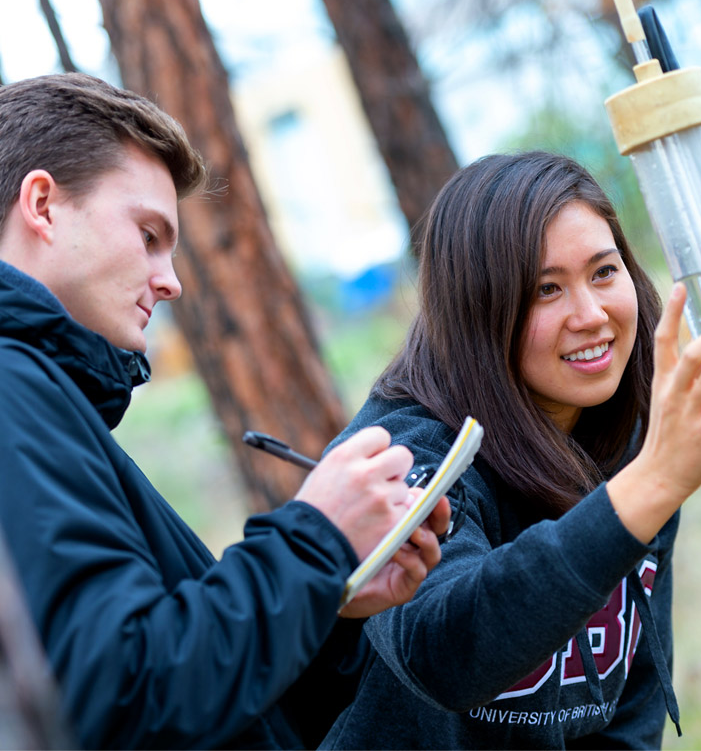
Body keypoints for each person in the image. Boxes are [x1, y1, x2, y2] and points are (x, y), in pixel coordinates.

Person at [0, 72, 450, 749]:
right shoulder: (11, 388)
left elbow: (211, 708)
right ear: (43, 205)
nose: (171, 279)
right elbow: (117, 695)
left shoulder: (44, 394)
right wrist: (315, 538)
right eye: (150, 235)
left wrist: (328, 601)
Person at [318, 151, 701, 749]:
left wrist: (648, 475)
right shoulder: (400, 456)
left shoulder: (632, 431)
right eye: (546, 289)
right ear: (479, 310)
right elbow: (445, 652)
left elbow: (628, 707)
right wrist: (650, 486)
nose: (591, 315)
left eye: (604, 272)